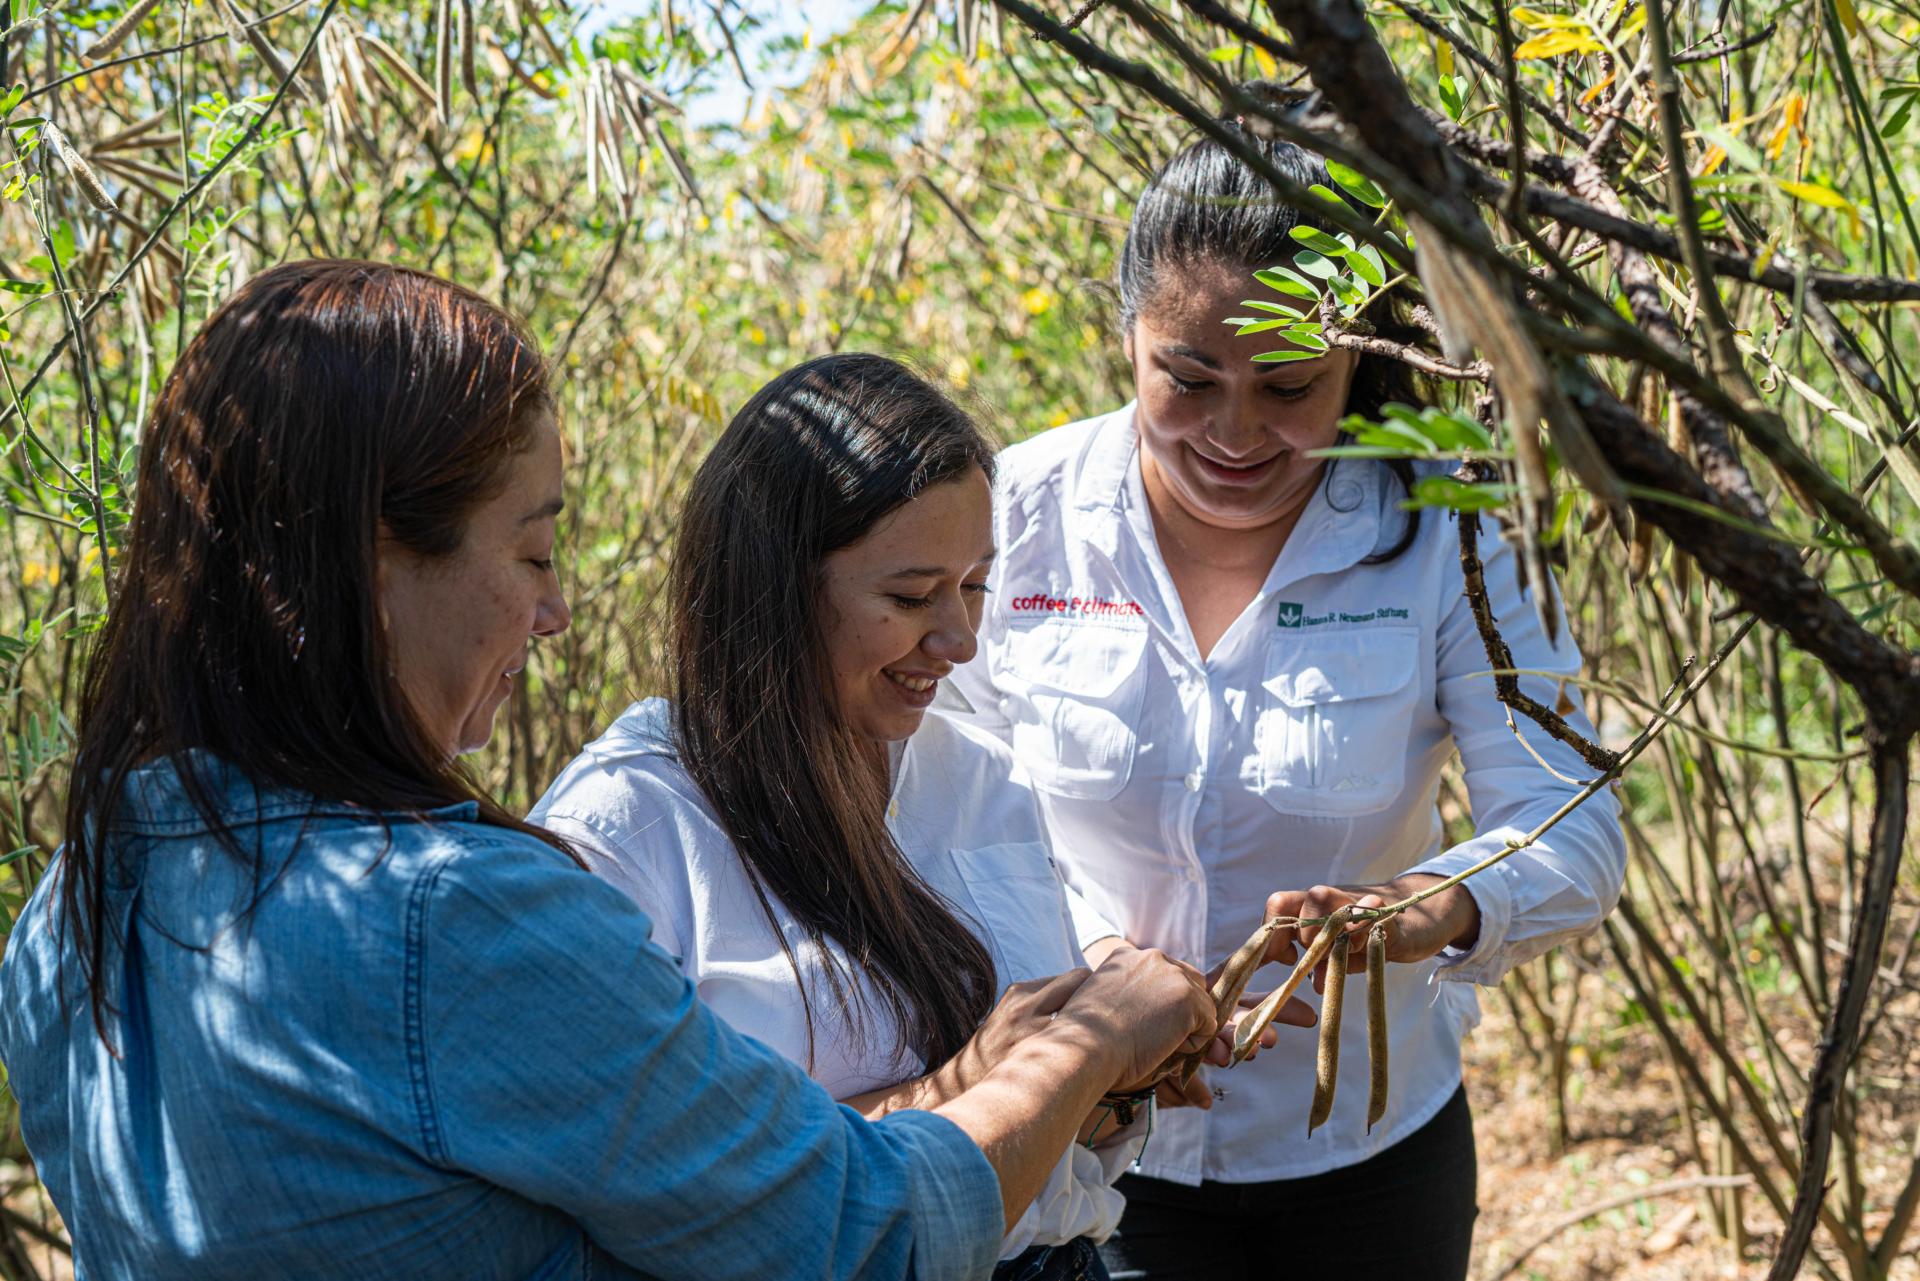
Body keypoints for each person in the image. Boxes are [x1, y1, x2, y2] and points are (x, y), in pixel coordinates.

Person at [0, 260, 1222, 1281]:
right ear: (372, 560)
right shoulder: (466, 915)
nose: (556, 611)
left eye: (972, 589)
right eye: (532, 553)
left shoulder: (70, 910)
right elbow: (851, 1230)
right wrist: (1083, 1050)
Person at [943, 118, 1629, 1280]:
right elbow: (944, 806)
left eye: (1292, 384)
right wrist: (1095, 959)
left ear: (1360, 354)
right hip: (1087, 1150)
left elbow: (1575, 823)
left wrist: (1426, 906)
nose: (1236, 432)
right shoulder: (1014, 515)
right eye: (1189, 378)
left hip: (1371, 1161)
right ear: (1129, 342)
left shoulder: (1453, 532)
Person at [531, 353, 1292, 1281]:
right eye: (909, 595)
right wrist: (1028, 1071)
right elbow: (676, 1197)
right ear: (773, 583)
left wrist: (1119, 1074)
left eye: (976, 585)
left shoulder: (982, 780)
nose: (960, 640)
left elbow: (1054, 1124)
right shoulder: (627, 829)